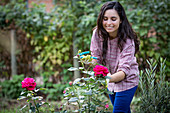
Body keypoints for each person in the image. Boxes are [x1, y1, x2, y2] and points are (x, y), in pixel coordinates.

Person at [90, 1, 140, 113]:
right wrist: (89, 62)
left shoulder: (127, 41)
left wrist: (105, 79)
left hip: (127, 81)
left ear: (121, 20)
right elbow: (96, 58)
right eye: (105, 18)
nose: (108, 23)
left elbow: (123, 72)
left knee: (119, 111)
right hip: (110, 80)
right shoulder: (97, 34)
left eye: (113, 19)